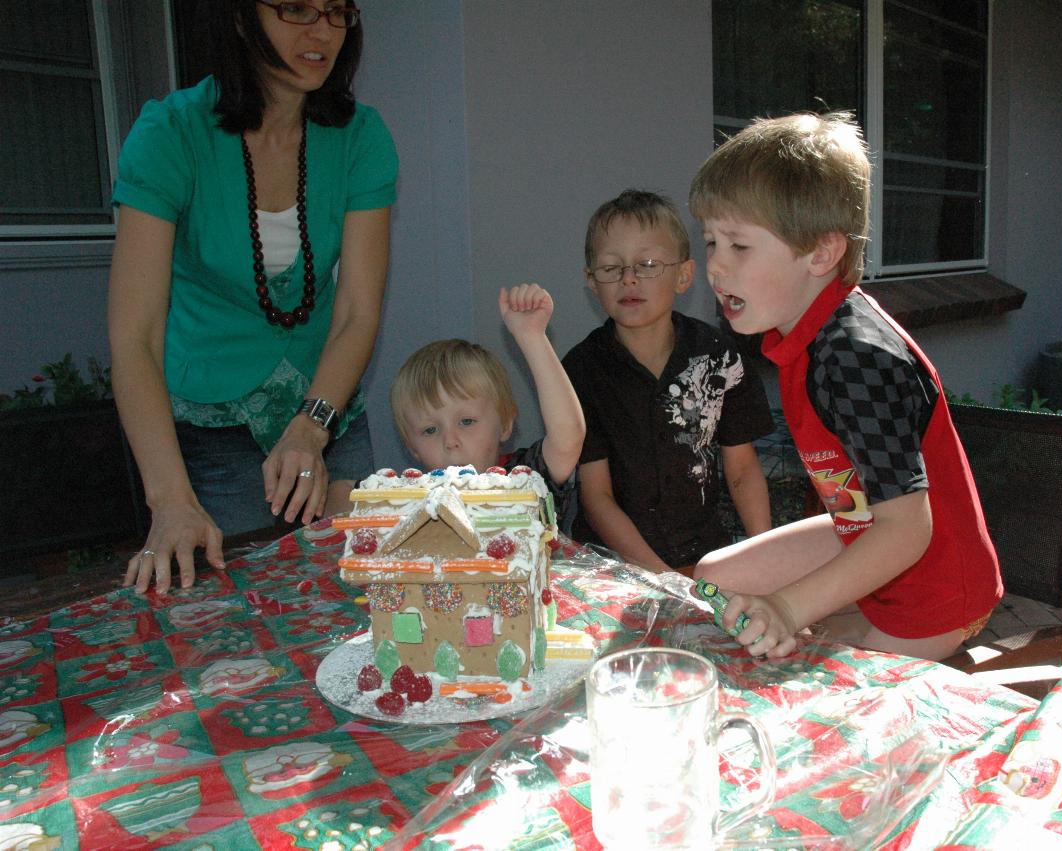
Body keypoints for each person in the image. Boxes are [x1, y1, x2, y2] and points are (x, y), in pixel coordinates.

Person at [689, 112, 1002, 661]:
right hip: (862, 525)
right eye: (711, 241)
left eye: (738, 246)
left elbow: (907, 532)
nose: (715, 266)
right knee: (716, 579)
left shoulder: (856, 358)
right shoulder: (803, 333)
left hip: (935, 582)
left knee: (827, 712)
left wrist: (789, 608)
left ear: (821, 253)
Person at [108, 0, 398, 594]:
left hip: (327, 409)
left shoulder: (362, 137)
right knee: (238, 618)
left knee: (363, 600)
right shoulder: (170, 135)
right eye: (296, 8)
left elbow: (357, 312)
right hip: (214, 432)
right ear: (240, 16)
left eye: (338, 11)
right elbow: (134, 338)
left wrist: (313, 427)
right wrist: (169, 499)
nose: (323, 30)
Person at [562, 189, 774, 573]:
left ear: (683, 276)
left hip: (705, 556)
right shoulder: (579, 370)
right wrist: (663, 578)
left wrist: (764, 557)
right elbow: (596, 496)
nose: (629, 279)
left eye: (647, 264)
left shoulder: (720, 357)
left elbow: (742, 471)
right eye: (611, 268)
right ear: (591, 281)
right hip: (612, 566)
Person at [391, 284, 585, 520]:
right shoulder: (407, 506)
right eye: (430, 430)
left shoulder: (523, 478)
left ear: (504, 424)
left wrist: (531, 336)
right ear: (412, 447)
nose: (450, 441)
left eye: (466, 421)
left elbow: (568, 437)